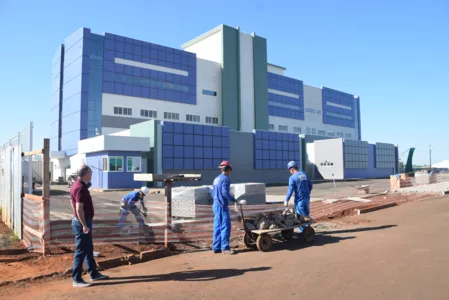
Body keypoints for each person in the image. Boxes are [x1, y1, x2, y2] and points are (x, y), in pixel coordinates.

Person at [70, 165, 108, 288]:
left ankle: (93, 273)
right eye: (90, 173)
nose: (92, 175)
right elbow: (79, 208)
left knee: (88, 248)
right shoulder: (80, 188)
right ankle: (76, 279)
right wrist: (84, 225)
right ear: (86, 174)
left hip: (82, 221)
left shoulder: (77, 185)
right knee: (81, 250)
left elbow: (72, 202)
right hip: (82, 223)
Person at [212, 161, 236, 255]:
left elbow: (213, 192)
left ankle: (216, 247)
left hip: (216, 205)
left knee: (217, 226)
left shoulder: (216, 179)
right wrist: (233, 199)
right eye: (230, 170)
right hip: (222, 205)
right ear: (227, 169)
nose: (230, 172)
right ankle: (225, 248)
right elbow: (225, 193)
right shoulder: (225, 179)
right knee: (225, 226)